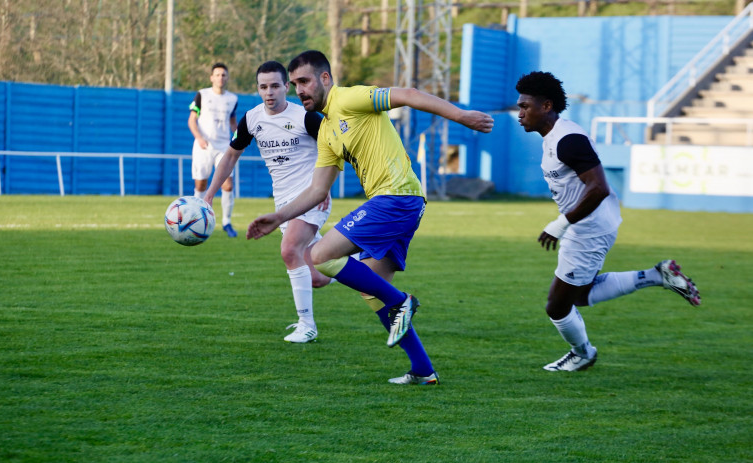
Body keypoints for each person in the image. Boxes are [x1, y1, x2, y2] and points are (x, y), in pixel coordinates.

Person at [247, 50, 494, 385]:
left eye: (304, 81)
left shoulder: (350, 98)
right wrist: (278, 217)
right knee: (372, 291)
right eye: (295, 84)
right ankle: (423, 370)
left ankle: (402, 302)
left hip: (397, 197)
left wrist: (460, 116)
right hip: (399, 204)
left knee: (320, 255)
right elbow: (317, 190)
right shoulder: (329, 131)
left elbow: (408, 95)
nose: (299, 89)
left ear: (325, 78)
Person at [515, 71, 702, 372]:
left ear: (546, 106)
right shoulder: (556, 137)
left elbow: (598, 188)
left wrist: (561, 223)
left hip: (588, 228)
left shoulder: (567, 140)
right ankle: (657, 275)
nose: (520, 113)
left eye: (524, 107)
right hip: (591, 224)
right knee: (580, 295)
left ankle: (583, 353)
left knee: (558, 305)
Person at [204, 61, 334, 343]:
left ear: (286, 86)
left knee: (289, 251)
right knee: (318, 277)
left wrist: (323, 189)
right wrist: (209, 194)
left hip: (310, 197)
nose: (269, 92)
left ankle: (307, 325)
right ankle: (361, 259)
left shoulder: (306, 118)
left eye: (275, 86)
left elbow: (337, 149)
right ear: (258, 89)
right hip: (283, 205)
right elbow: (229, 156)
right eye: (263, 87)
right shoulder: (251, 119)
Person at [188, 62, 239, 238]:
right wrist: (199, 138)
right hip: (203, 146)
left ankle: (227, 222)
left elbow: (233, 123)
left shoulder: (233, 99)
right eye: (217, 75)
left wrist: (241, 136)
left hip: (224, 146)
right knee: (201, 184)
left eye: (224, 75)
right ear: (211, 77)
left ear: (227, 78)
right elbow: (192, 120)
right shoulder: (202, 95)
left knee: (228, 184)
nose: (220, 78)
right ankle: (197, 219)